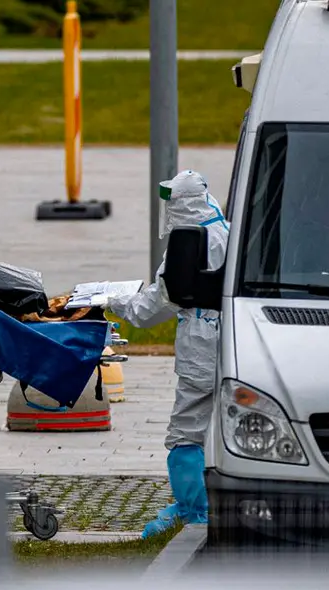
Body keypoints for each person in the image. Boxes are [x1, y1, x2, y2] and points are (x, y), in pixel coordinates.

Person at [106, 169, 229, 539]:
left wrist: (111, 300)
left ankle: (194, 511)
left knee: (186, 432)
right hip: (232, 339)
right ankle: (216, 502)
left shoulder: (188, 244)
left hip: (200, 346)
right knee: (221, 428)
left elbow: (154, 305)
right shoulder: (226, 230)